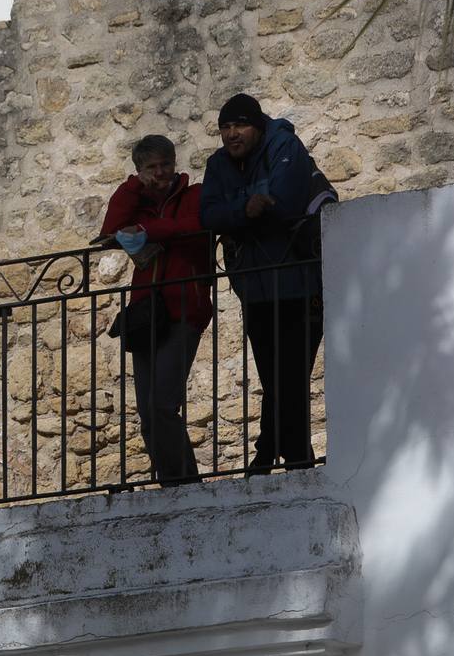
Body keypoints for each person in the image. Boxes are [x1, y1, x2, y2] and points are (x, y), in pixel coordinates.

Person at [199, 93, 325, 471]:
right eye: (225, 127)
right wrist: (247, 207)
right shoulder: (218, 164)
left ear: (258, 125)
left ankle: (291, 454)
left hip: (300, 282)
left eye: (239, 125)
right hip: (254, 286)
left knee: (292, 371)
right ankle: (272, 452)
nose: (232, 134)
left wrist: (238, 212)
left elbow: (284, 203)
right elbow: (207, 215)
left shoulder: (285, 145)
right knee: (272, 373)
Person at [100, 135, 214, 484]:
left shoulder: (193, 196)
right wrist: (134, 188)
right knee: (147, 414)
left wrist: (148, 230)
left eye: (165, 164)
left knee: (162, 404)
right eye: (151, 167)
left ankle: (184, 484)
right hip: (147, 316)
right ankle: (173, 482)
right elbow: (109, 230)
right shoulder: (137, 201)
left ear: (175, 163)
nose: (161, 172)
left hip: (184, 310)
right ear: (139, 171)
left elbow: (197, 226)